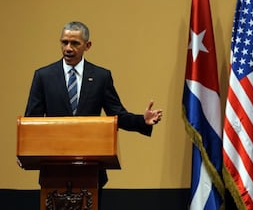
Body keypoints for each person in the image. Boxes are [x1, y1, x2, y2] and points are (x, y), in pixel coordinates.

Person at [24, 21, 163, 186]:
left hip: (91, 169)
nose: (68, 48)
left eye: (75, 43)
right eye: (64, 42)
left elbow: (117, 114)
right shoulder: (43, 76)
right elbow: (32, 121)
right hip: (54, 169)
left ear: (87, 45)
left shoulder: (100, 77)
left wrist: (142, 121)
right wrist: (25, 154)